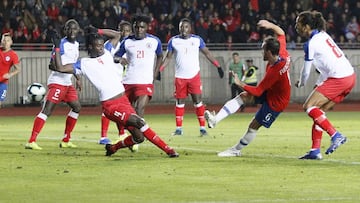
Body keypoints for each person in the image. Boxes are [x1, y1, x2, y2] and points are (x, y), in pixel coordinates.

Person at [50, 32, 179, 158]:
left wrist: (98, 30)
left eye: (101, 45)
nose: (101, 48)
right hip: (111, 106)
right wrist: (56, 47)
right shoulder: (84, 63)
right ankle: (169, 150)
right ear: (90, 47)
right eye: (98, 46)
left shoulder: (107, 52)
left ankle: (113, 148)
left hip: (123, 100)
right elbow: (60, 68)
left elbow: (117, 35)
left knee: (139, 138)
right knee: (140, 122)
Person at [204, 19, 291, 157]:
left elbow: (258, 90)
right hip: (272, 91)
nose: (261, 52)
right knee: (242, 97)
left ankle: (236, 150)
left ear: (269, 52)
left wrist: (240, 83)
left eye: (263, 50)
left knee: (254, 125)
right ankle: (215, 120)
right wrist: (269, 25)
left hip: (277, 101)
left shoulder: (274, 71)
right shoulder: (282, 53)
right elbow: (281, 33)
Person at [294, 11, 356, 160]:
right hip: (349, 77)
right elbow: (326, 66)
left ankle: (336, 135)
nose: (296, 26)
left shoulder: (312, 43)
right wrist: (318, 84)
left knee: (308, 106)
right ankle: (315, 151)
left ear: (307, 26)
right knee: (319, 112)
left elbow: (306, 71)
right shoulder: (323, 36)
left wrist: (301, 82)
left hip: (339, 78)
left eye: (298, 23)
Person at [159, 18, 224, 136]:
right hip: (180, 77)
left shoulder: (197, 40)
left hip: (194, 76)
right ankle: (179, 129)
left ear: (190, 28)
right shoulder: (173, 41)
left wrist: (218, 66)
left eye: (186, 27)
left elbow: (207, 53)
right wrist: (160, 70)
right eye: (181, 27)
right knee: (179, 102)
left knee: (198, 102)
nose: (183, 29)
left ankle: (202, 128)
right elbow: (168, 57)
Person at [25, 19, 81, 150]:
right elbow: (52, 65)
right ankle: (31, 141)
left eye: (74, 29)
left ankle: (66, 139)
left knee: (77, 107)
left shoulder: (77, 44)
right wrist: (61, 68)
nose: (72, 31)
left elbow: (72, 65)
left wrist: (77, 77)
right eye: (69, 29)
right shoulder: (60, 43)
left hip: (67, 83)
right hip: (57, 82)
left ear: (78, 30)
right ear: (65, 30)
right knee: (47, 111)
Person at [114, 15, 163, 129]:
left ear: (147, 27)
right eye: (137, 27)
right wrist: (120, 59)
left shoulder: (154, 41)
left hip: (145, 82)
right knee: (123, 110)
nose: (139, 30)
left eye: (142, 27)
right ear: (133, 27)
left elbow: (160, 56)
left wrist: (155, 73)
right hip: (128, 81)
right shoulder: (127, 42)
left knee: (139, 108)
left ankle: (137, 136)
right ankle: (125, 134)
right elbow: (115, 56)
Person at [97, 21, 136, 146]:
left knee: (123, 110)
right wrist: (118, 60)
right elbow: (104, 58)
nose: (125, 33)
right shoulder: (111, 44)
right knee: (108, 109)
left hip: (124, 81)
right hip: (110, 80)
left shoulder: (130, 46)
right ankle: (103, 136)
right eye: (122, 30)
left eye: (128, 31)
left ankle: (122, 134)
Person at [0, 33, 21, 108]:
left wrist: (10, 74)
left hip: (2, 82)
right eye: (4, 40)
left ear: (11, 42)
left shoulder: (13, 55)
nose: (5, 42)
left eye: (8, 41)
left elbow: (18, 69)